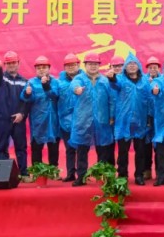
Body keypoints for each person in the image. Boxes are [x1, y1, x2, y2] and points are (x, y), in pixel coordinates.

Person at [69, 53, 115, 186]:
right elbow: (74, 85)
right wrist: (76, 89)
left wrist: (111, 116)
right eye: (90, 64)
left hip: (102, 120)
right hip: (83, 120)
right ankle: (81, 176)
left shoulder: (105, 81)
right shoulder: (79, 79)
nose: (93, 66)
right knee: (82, 149)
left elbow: (111, 100)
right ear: (85, 65)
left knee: (103, 149)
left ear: (99, 65)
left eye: (95, 64)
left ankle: (102, 176)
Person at [108, 53, 152, 186]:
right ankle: (122, 175)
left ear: (138, 66)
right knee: (123, 152)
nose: (132, 66)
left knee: (140, 151)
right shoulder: (121, 79)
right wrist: (112, 78)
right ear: (125, 67)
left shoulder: (145, 81)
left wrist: (149, 117)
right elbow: (115, 84)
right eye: (129, 64)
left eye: (134, 64)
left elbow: (149, 100)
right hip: (123, 122)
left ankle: (139, 175)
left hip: (140, 122)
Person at [0, 51, 30, 177]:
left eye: (14, 62)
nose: (12, 65)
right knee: (0, 147)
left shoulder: (25, 82)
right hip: (1, 119)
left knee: (21, 148)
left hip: (18, 120)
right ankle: (1, 176)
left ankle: (24, 174)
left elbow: (27, 101)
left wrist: (22, 114)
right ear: (5, 65)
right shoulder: (1, 78)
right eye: (9, 63)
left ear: (18, 63)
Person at [21, 56, 60, 168]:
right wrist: (27, 93)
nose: (41, 70)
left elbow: (55, 95)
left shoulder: (55, 82)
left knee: (53, 147)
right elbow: (25, 98)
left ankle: (54, 170)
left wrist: (46, 85)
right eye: (39, 68)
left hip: (53, 120)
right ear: (35, 69)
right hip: (38, 120)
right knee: (36, 147)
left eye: (44, 67)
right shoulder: (31, 82)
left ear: (49, 68)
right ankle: (37, 171)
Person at [58, 53, 82, 182]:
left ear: (78, 65)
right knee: (69, 149)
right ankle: (70, 173)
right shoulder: (59, 82)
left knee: (82, 149)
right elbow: (53, 95)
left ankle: (82, 174)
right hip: (65, 121)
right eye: (68, 65)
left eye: (73, 64)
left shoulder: (85, 80)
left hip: (82, 119)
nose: (71, 67)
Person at [143, 56, 161, 180]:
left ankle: (160, 171)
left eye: (155, 67)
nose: (153, 69)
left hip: (160, 118)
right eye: (150, 67)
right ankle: (146, 169)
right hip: (146, 117)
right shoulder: (143, 80)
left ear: (159, 68)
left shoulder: (163, 80)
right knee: (146, 146)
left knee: (159, 146)